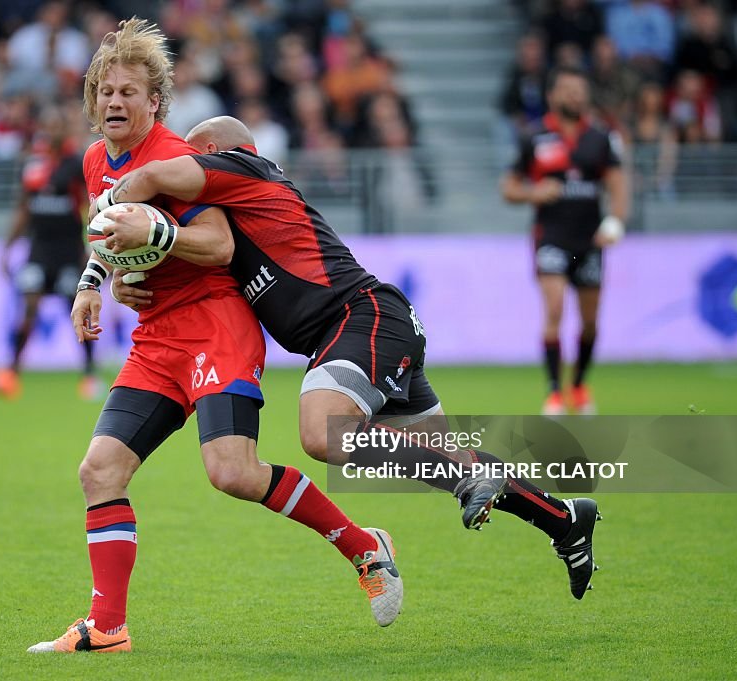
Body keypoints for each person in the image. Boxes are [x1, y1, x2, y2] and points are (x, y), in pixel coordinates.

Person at [99, 114, 603, 601]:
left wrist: (111, 197)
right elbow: (194, 264)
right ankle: (564, 520)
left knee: (322, 433)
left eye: (193, 154)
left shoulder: (244, 167)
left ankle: (467, 482)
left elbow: (154, 174)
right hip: (368, 328)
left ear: (210, 153)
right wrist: (122, 277)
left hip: (360, 318)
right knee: (448, 456)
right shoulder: (232, 219)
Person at [27, 18, 401, 656]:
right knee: (99, 471)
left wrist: (160, 239)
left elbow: (220, 244)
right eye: (105, 92)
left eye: (128, 92)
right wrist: (93, 283)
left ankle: (363, 546)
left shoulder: (176, 159)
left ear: (155, 103)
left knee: (231, 473)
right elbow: (106, 224)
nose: (114, 102)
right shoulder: (95, 160)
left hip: (215, 326)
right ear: (92, 102)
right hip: (156, 339)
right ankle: (107, 627)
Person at [501, 66, 630, 416]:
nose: (575, 96)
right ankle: (555, 391)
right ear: (553, 96)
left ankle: (579, 385)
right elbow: (508, 188)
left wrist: (615, 220)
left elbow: (618, 183)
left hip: (589, 242)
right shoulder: (536, 137)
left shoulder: (601, 138)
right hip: (551, 239)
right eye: (568, 90)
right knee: (554, 310)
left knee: (589, 322)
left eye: (580, 90)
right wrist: (534, 192)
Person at [0, 108, 97, 401]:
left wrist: (90, 247)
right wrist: (8, 248)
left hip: (68, 252)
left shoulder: (76, 164)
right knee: (29, 307)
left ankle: (89, 373)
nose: (51, 131)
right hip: (38, 251)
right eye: (47, 125)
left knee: (76, 310)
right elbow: (24, 209)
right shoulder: (33, 164)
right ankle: (11, 371)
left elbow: (88, 207)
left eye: (57, 125)